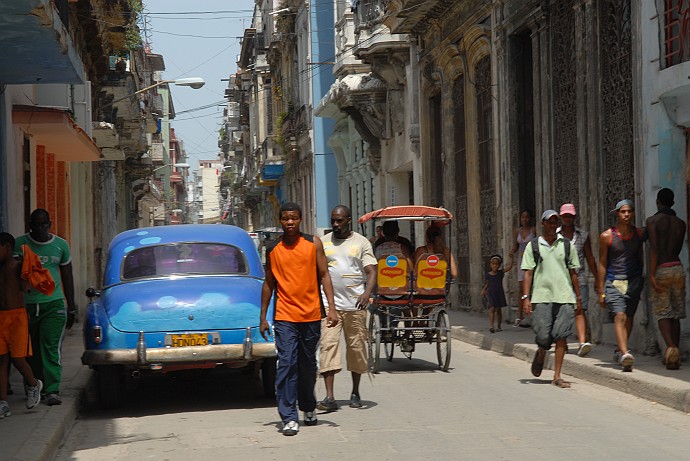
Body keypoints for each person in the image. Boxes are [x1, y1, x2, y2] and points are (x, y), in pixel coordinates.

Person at [259, 202, 339, 436]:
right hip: (284, 316)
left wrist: (331, 308)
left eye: (294, 218)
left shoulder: (313, 243)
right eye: (285, 219)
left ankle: (308, 407)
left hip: (312, 314)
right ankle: (288, 416)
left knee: (307, 366)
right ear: (280, 221)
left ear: (300, 219)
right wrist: (263, 317)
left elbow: (324, 275)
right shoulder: (273, 249)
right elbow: (268, 283)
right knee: (286, 364)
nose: (290, 222)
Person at [316, 205, 377, 412]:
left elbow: (371, 271)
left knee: (356, 348)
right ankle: (330, 397)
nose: (335, 224)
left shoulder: (361, 242)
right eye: (333, 220)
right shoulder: (323, 243)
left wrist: (367, 293)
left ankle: (355, 392)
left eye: (339, 220)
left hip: (355, 306)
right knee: (328, 347)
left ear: (348, 220)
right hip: (329, 307)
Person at [15, 209, 76, 406]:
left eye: (44, 224)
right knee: (30, 350)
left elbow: (67, 276)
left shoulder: (60, 245)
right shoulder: (20, 244)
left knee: (50, 347)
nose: (40, 228)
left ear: (50, 224)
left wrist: (72, 306)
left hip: (54, 304)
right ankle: (34, 385)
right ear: (30, 225)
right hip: (28, 306)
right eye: (36, 224)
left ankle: (52, 389)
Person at [522, 210, 582, 388]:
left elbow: (573, 272)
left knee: (561, 335)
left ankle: (557, 376)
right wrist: (526, 298)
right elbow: (528, 272)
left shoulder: (566, 245)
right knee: (543, 335)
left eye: (555, 222)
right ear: (542, 223)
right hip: (542, 297)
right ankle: (541, 351)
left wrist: (578, 297)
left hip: (564, 296)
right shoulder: (533, 246)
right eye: (549, 222)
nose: (552, 225)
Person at [596, 199, 644, 372]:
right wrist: (601, 290)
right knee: (619, 315)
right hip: (614, 281)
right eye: (623, 211)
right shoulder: (607, 236)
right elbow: (602, 263)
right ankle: (625, 353)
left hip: (634, 281)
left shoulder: (638, 234)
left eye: (629, 211)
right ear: (617, 214)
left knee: (629, 317)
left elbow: (641, 256)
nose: (626, 214)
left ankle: (619, 350)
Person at [0, 233, 43, 417]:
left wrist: (27, 265)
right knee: (1, 361)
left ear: (8, 248)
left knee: (18, 359)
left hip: (18, 317)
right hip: (0, 317)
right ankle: (3, 403)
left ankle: (34, 384)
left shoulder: (18, 266)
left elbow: (28, 285)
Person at [645, 188, 686, 370]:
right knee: (675, 313)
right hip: (677, 268)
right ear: (673, 202)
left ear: (658, 202)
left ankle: (670, 349)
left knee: (663, 313)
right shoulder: (681, 223)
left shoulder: (652, 221)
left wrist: (652, 274)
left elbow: (654, 248)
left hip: (661, 269)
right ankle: (674, 355)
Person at [558, 203, 598, 357]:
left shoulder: (583, 235)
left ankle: (582, 342)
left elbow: (589, 257)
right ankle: (563, 342)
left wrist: (597, 278)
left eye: (570, 216)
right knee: (563, 312)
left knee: (580, 309)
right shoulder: (555, 235)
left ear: (574, 217)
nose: (568, 218)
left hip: (579, 277)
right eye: (565, 216)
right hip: (560, 279)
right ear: (561, 217)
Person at [510, 209, 536, 327]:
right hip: (521, 260)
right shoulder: (517, 231)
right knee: (522, 288)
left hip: (532, 260)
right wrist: (512, 252)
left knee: (533, 288)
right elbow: (516, 245)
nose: (525, 220)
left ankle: (532, 314)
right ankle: (519, 315)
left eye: (527, 217)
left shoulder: (533, 230)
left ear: (530, 218)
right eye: (523, 217)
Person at [480, 254, 514, 333]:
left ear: (499, 265)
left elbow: (509, 267)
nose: (495, 266)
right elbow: (487, 283)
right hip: (491, 293)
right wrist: (484, 290)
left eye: (497, 264)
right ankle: (491, 326)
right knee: (492, 308)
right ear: (490, 264)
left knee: (498, 310)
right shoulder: (488, 274)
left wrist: (512, 259)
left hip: (499, 292)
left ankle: (499, 326)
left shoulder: (500, 273)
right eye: (493, 264)